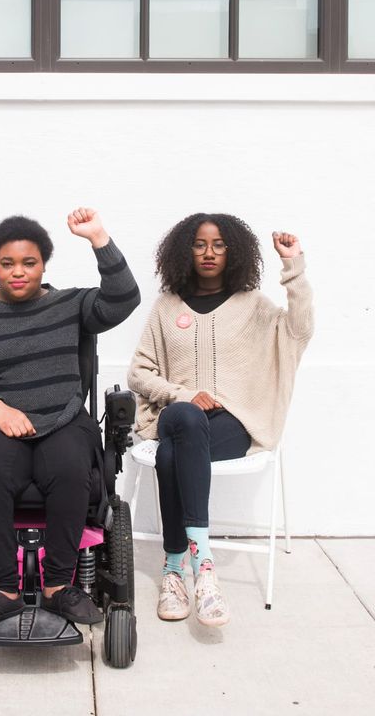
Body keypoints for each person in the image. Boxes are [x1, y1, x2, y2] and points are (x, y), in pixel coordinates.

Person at [0, 208, 141, 630]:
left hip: (62, 418)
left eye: (28, 263)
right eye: (7, 263)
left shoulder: (70, 304)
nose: (18, 272)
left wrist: (99, 238)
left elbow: (124, 297)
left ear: (43, 264)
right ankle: (3, 590)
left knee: (71, 469)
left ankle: (57, 587)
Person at [127, 214, 313, 628]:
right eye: (199, 244)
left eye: (219, 245)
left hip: (233, 426)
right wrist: (185, 395)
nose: (209, 253)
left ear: (234, 252)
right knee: (183, 420)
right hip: (177, 417)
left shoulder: (254, 306)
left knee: (171, 451)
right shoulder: (166, 306)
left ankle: (175, 567)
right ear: (183, 251)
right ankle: (204, 568)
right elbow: (138, 373)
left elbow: (299, 331)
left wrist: (293, 266)